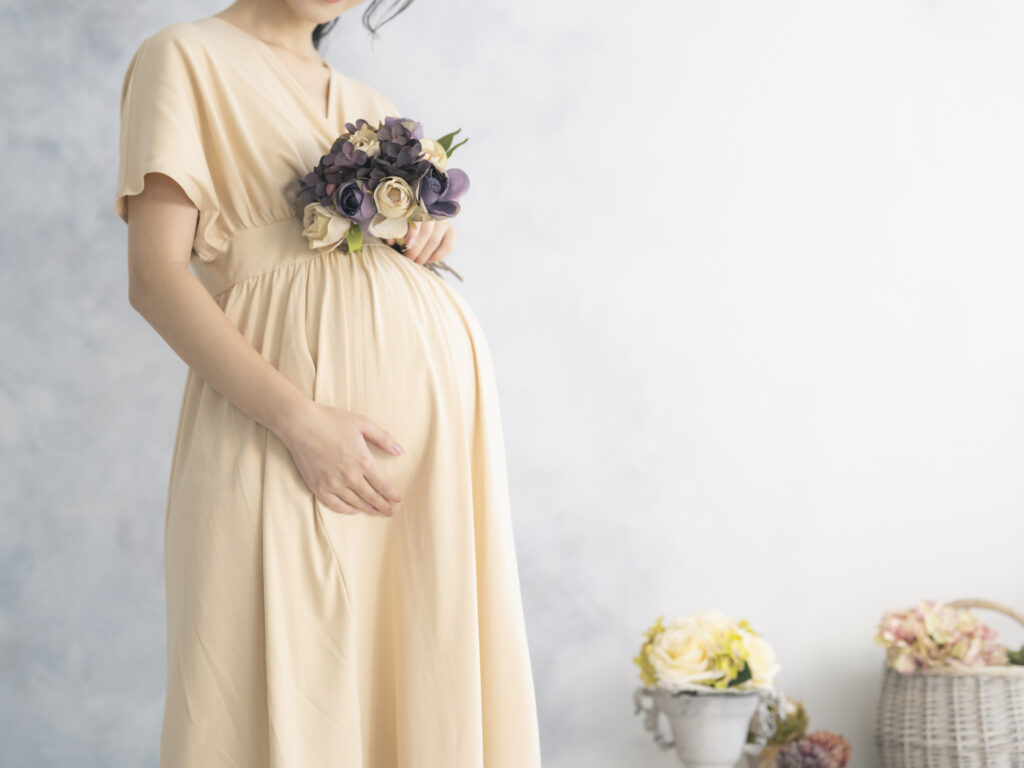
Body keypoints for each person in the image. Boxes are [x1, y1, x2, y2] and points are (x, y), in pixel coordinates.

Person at [113, 1, 543, 765]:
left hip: (426, 460)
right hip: (282, 433)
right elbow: (154, 278)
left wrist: (424, 232)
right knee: (277, 677)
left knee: (416, 675)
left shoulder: (367, 104)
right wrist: (301, 423)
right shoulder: (183, 57)